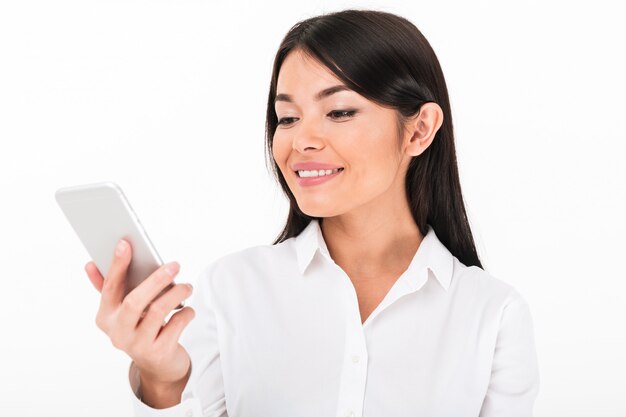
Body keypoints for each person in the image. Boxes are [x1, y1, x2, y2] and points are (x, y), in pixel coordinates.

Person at [84, 8, 540, 417]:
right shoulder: (232, 289)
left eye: (339, 112)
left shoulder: (493, 315)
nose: (301, 140)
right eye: (287, 118)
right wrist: (162, 379)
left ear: (419, 130)